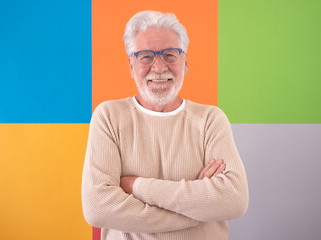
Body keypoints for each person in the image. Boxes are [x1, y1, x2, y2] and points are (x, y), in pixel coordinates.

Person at [82, 10, 248, 240]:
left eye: (170, 54)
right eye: (146, 56)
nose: (159, 68)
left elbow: (234, 200)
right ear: (131, 66)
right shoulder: (108, 117)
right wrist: (195, 210)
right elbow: (98, 208)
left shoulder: (211, 120)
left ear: (185, 63)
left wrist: (137, 186)